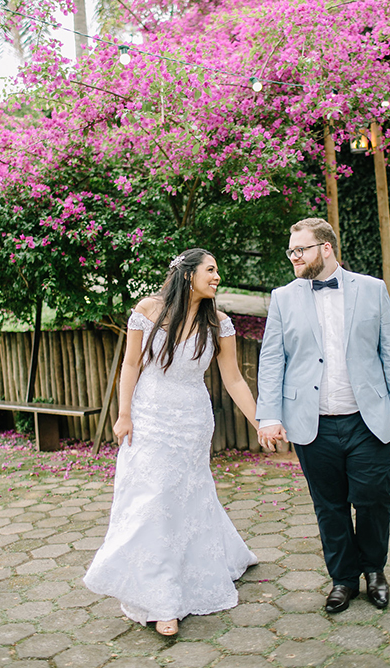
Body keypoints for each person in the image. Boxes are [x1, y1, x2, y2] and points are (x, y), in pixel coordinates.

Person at [84, 248, 260, 637]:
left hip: (193, 420)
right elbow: (131, 364)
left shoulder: (220, 323)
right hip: (148, 416)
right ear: (187, 275)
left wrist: (261, 422)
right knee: (152, 500)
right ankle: (162, 600)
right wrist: (124, 414)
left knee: (187, 497)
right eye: (211, 270)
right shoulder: (148, 310)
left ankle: (199, 570)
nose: (217, 276)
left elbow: (233, 380)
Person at [256, 218, 390, 614]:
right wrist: (269, 416)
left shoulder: (373, 290)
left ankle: (374, 570)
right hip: (313, 422)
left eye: (300, 249)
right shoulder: (282, 297)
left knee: (374, 496)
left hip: (367, 417)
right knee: (329, 505)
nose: (294, 257)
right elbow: (272, 360)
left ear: (325, 248)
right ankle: (343, 579)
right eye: (290, 251)